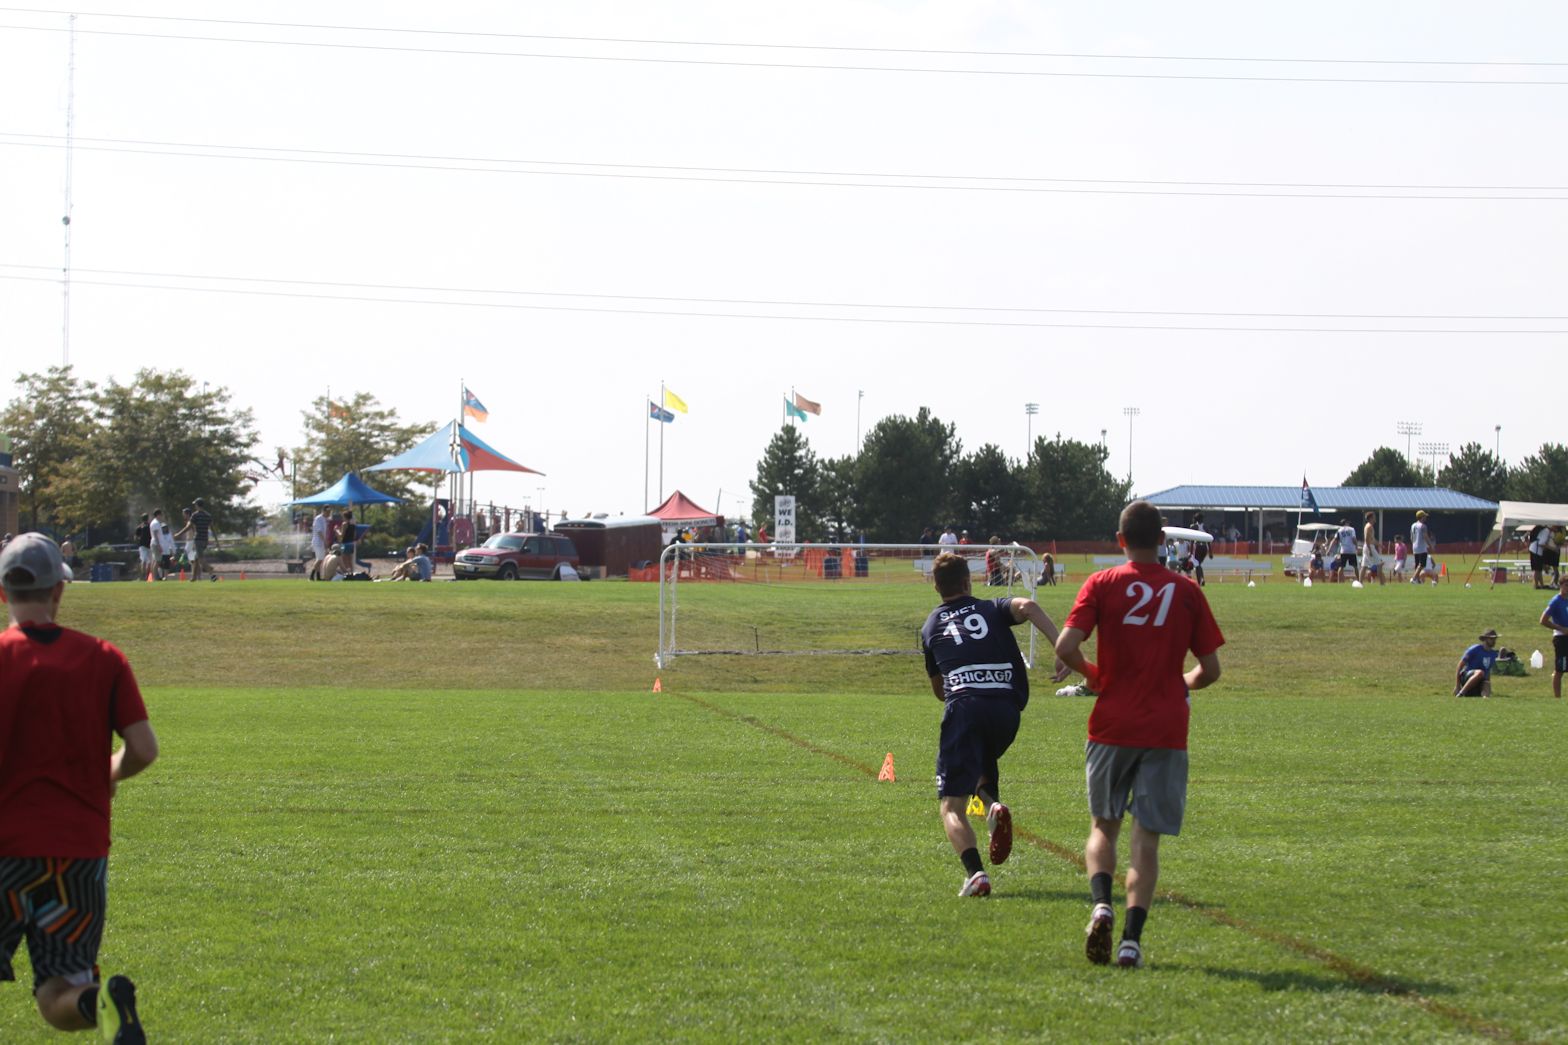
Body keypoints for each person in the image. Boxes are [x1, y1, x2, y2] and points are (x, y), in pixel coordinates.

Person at [1055, 500, 1224, 969]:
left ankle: (1101, 905)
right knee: (1146, 840)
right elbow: (1211, 670)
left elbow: (1066, 647)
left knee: (1103, 826)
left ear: (1120, 540)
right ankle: (1131, 941)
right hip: (1166, 727)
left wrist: (1095, 676)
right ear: (1163, 541)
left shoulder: (1102, 583)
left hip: (1112, 724)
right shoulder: (1186, 591)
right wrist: (1180, 683)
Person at [0, 533, 157, 1040]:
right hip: (78, 857)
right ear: (59, 590)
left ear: (2, 592)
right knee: (59, 991)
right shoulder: (103, 658)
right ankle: (96, 1001)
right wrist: (109, 772)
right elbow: (143, 749)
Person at [920, 550, 1069, 898]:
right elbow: (1029, 607)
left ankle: (976, 875)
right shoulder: (991, 608)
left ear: (936, 587)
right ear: (968, 581)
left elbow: (940, 691)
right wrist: (1062, 649)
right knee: (981, 758)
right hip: (1006, 710)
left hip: (965, 707)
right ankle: (992, 807)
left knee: (951, 806)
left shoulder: (931, 625)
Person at [1540, 575, 1568, 700]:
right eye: (1566, 585)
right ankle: (1557, 699)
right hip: (1561, 639)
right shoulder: (1556, 601)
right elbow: (1543, 620)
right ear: (1560, 585)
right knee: (1560, 669)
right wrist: (1561, 628)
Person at [1454, 629, 1500, 697]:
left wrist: (1488, 684)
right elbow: (1460, 665)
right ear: (1485, 639)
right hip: (1467, 676)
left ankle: (1485, 699)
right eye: (1491, 639)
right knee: (1480, 672)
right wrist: (1457, 685)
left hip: (1480, 679)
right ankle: (1461, 693)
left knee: (1486, 683)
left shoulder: (1493, 654)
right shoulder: (1475, 649)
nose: (1494, 641)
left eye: (1495, 639)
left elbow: (1487, 671)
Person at [1360, 512, 1385, 586]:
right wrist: (1370, 550)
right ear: (1371, 518)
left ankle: (1360, 583)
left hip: (1368, 547)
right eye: (1374, 517)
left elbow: (1372, 539)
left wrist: (1379, 545)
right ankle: (1382, 584)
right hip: (1369, 547)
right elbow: (1367, 539)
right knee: (1379, 564)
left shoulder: (1368, 526)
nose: (1375, 518)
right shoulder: (1369, 527)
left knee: (1364, 566)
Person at [1411, 511, 1435, 585]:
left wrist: (1414, 544)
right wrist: (1431, 545)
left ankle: (1417, 580)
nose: (1426, 518)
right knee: (1422, 564)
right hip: (1421, 547)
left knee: (1417, 564)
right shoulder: (1423, 526)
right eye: (1424, 516)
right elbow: (1425, 536)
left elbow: (1411, 537)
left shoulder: (1413, 525)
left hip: (1414, 546)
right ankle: (1413, 578)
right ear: (1421, 517)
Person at [1332, 518, 1358, 583]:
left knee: (1341, 566)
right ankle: (1359, 580)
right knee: (1355, 566)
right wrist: (1356, 545)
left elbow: (1334, 540)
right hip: (1351, 550)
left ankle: (1339, 582)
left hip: (1343, 550)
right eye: (1348, 522)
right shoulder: (1352, 529)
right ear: (1346, 523)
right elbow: (1353, 539)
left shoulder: (1339, 530)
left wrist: (1329, 549)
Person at [150, 509, 174, 578]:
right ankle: (154, 578)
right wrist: (159, 545)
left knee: (155, 561)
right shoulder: (156, 523)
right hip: (156, 544)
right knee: (157, 561)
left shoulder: (155, 522)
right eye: (161, 515)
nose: (161, 516)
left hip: (155, 543)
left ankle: (154, 577)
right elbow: (155, 535)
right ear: (158, 515)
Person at [1190, 512, 1211, 587]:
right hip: (1204, 547)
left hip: (1197, 546)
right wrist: (1210, 552)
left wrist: (1191, 551)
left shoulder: (1193, 526)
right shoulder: (1206, 527)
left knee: (1197, 565)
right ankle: (1201, 579)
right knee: (1198, 564)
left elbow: (1192, 540)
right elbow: (1209, 540)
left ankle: (1200, 580)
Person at [132, 513, 153, 580]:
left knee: (144, 561)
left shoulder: (140, 527)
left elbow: (135, 537)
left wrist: (139, 540)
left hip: (143, 546)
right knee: (148, 561)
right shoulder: (150, 526)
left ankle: (144, 576)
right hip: (148, 546)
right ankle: (145, 576)